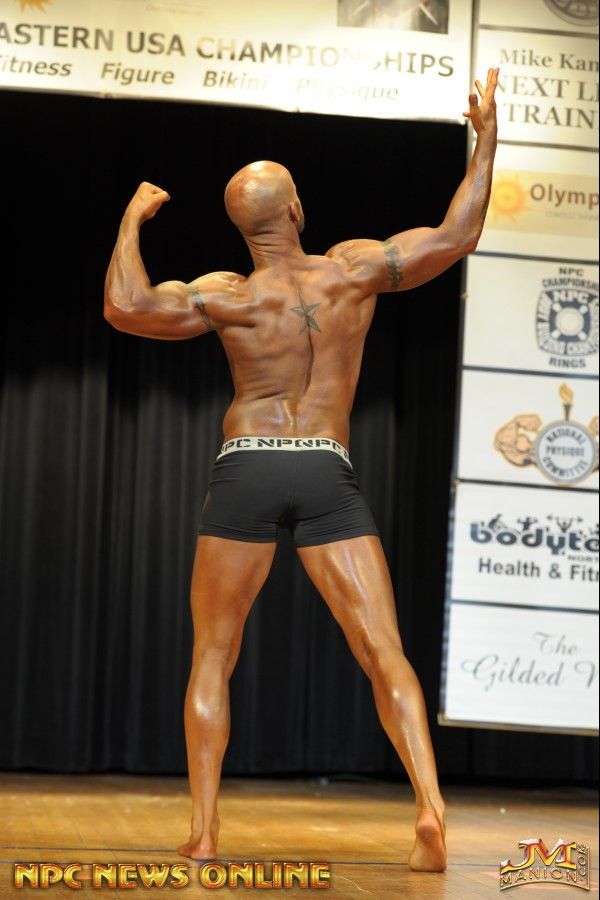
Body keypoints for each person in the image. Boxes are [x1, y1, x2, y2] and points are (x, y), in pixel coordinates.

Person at [104, 69, 499, 872]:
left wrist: (131, 219)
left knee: (214, 654)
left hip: (247, 469)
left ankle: (205, 833)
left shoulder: (227, 294)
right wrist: (486, 140)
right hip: (326, 469)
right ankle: (429, 807)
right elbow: (456, 234)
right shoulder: (352, 269)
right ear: (296, 210)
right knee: (383, 650)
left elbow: (125, 306)